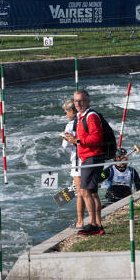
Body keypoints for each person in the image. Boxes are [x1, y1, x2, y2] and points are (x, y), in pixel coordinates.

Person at [63, 89, 105, 234]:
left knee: (86, 191)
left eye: (81, 101)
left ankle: (93, 224)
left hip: (91, 157)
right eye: (76, 101)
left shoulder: (90, 117)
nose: (78, 103)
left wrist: (77, 141)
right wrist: (73, 139)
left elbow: (97, 138)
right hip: (87, 157)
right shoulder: (82, 117)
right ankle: (97, 225)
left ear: (88, 101)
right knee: (91, 192)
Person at [61, 96, 85, 229]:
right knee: (89, 191)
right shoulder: (85, 119)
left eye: (66, 111)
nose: (66, 114)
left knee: (80, 192)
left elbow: (65, 146)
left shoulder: (71, 125)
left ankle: (80, 221)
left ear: (72, 110)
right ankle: (92, 219)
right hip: (89, 159)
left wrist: (73, 144)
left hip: (77, 161)